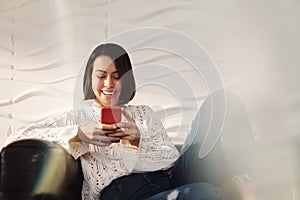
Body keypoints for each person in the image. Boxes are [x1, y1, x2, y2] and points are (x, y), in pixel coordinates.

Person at [5, 43, 252, 200]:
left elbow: (170, 159)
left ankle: (249, 186)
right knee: (203, 193)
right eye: (101, 76)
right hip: (124, 193)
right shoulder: (78, 117)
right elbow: (15, 137)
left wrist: (137, 140)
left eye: (116, 76)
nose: (109, 84)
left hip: (169, 180)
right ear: (90, 80)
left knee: (223, 101)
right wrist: (78, 135)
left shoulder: (144, 114)